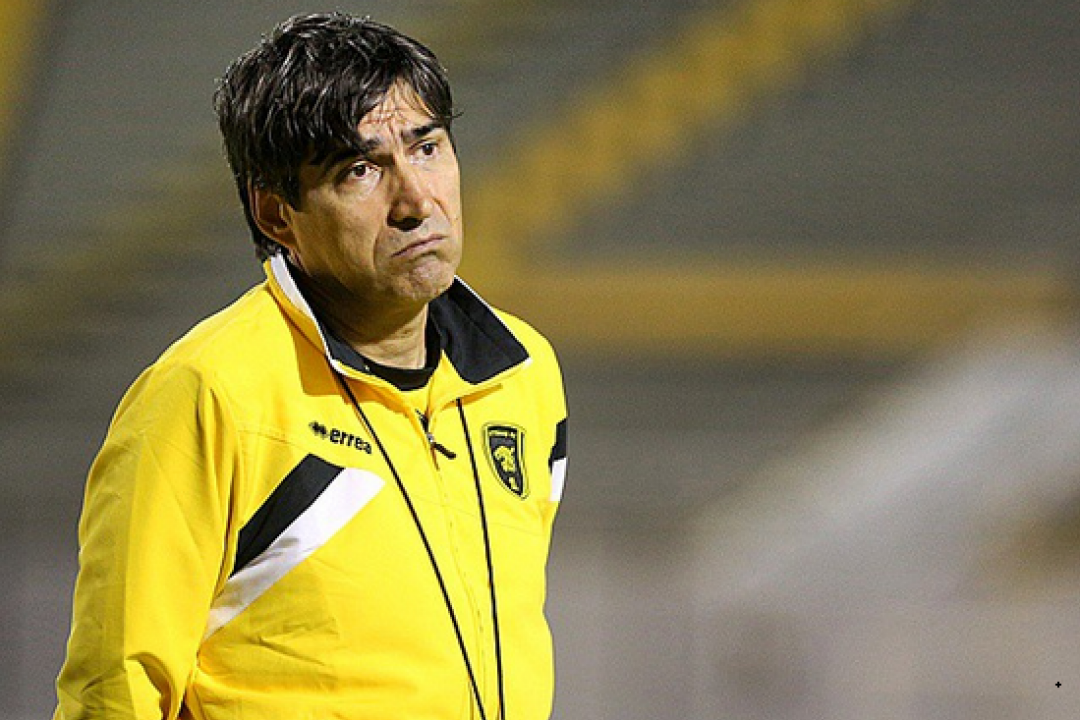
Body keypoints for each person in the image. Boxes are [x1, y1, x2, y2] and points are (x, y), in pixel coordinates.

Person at [53, 12, 568, 720]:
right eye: (360, 170)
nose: (417, 201)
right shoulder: (207, 394)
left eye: (427, 147)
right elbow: (115, 689)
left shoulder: (524, 375)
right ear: (276, 214)